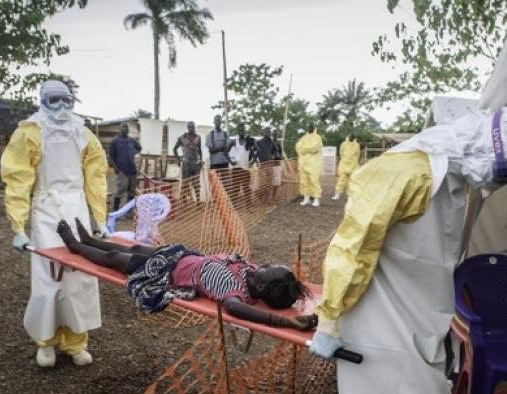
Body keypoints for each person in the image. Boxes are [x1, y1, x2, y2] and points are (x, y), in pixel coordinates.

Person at [308, 107, 507, 394]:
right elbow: (353, 248)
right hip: (374, 318)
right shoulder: (404, 172)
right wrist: (329, 319)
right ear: (486, 147)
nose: (496, 182)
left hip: (420, 320)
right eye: (501, 172)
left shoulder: (453, 177)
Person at [1, 80, 109, 369]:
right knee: (49, 279)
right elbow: (17, 179)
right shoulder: (28, 134)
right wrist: (18, 227)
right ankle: (46, 342)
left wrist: (99, 218)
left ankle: (76, 343)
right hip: (46, 210)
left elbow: (95, 177)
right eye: (54, 100)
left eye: (66, 100)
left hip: (77, 212)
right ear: (42, 101)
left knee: (79, 278)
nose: (61, 107)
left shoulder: (84, 134)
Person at [56, 218, 318, 331]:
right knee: (134, 246)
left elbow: (233, 309)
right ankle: (90, 239)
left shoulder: (234, 289)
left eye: (264, 269)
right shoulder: (252, 272)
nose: (261, 264)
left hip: (166, 273)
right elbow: (284, 282)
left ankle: (77, 246)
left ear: (260, 287)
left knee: (116, 259)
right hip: (180, 257)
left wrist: (285, 322)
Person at [108, 122, 142, 211]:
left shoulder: (131, 140)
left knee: (131, 191)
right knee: (121, 189)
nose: (125, 128)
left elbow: (139, 147)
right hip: (122, 170)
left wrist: (132, 154)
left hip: (132, 169)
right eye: (123, 126)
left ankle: (129, 211)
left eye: (126, 127)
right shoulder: (114, 141)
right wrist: (116, 168)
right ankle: (115, 211)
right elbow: (111, 156)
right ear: (119, 128)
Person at [173, 121, 203, 200]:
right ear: (187, 127)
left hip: (196, 163)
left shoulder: (198, 137)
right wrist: (178, 160)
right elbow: (175, 149)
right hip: (186, 163)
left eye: (193, 127)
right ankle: (184, 201)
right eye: (189, 127)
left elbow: (199, 150)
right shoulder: (182, 138)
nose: (191, 128)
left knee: (196, 182)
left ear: (194, 127)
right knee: (185, 183)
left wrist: (201, 160)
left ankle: (198, 200)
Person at [295, 122, 323, 207]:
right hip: (303, 164)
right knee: (304, 182)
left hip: (314, 164)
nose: (309, 127)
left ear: (315, 128)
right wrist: (309, 149)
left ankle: (316, 199)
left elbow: (315, 148)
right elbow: (299, 148)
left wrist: (306, 149)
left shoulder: (318, 137)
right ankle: (306, 199)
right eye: (308, 126)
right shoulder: (303, 138)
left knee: (314, 181)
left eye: (311, 126)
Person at [332, 133, 359, 200]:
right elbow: (341, 153)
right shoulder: (343, 144)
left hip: (353, 165)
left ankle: (351, 196)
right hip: (344, 164)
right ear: (348, 137)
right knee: (341, 180)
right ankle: (337, 195)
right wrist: (345, 161)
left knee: (353, 181)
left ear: (354, 138)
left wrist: (353, 162)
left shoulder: (357, 145)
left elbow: (357, 155)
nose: (351, 138)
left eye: (352, 137)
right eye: (350, 136)